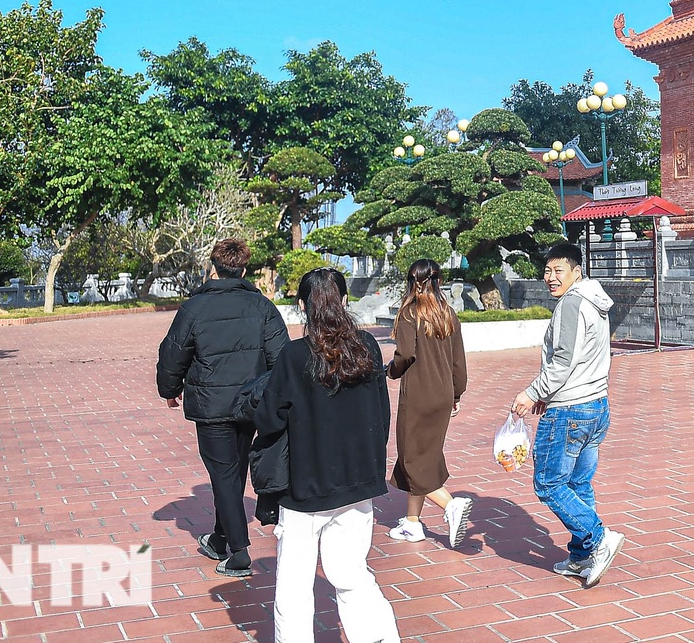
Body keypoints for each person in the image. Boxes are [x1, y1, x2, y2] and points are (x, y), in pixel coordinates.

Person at [248, 268, 400, 643]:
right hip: (358, 483)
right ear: (345, 302)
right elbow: (382, 415)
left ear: (302, 307)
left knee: (295, 584)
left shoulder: (294, 355)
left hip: (306, 486)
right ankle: (380, 638)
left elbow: (269, 418)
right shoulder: (366, 346)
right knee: (351, 573)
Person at [155, 236, 288, 578]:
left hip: (211, 406)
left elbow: (173, 353)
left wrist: (169, 389)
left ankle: (239, 551)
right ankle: (218, 538)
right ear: (243, 269)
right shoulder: (262, 307)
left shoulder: (195, 307)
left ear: (213, 267)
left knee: (224, 473)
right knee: (230, 473)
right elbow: (281, 359)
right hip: (250, 405)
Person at [510, 241, 622, 587]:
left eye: (559, 270)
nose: (550, 277)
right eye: (547, 270)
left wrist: (533, 393)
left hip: (570, 411)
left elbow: (563, 361)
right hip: (595, 406)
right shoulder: (594, 300)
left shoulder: (573, 303)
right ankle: (580, 556)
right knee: (577, 483)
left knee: (548, 483)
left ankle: (597, 537)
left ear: (576, 271)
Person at [387, 259, 472, 547]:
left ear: (412, 282)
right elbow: (458, 360)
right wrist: (456, 393)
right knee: (424, 455)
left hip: (419, 396)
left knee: (412, 459)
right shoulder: (448, 313)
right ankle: (412, 523)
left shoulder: (410, 313)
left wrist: (391, 370)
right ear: (438, 281)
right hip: (443, 394)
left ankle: (450, 505)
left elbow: (406, 354)